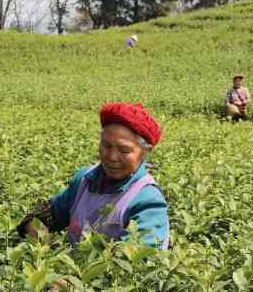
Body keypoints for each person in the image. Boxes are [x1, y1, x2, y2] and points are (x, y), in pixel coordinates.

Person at [17, 102, 169, 250]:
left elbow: (139, 260)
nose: (112, 156)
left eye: (124, 150)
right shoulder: (85, 179)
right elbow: (46, 214)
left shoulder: (148, 200)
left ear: (144, 153)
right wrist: (35, 228)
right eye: (106, 145)